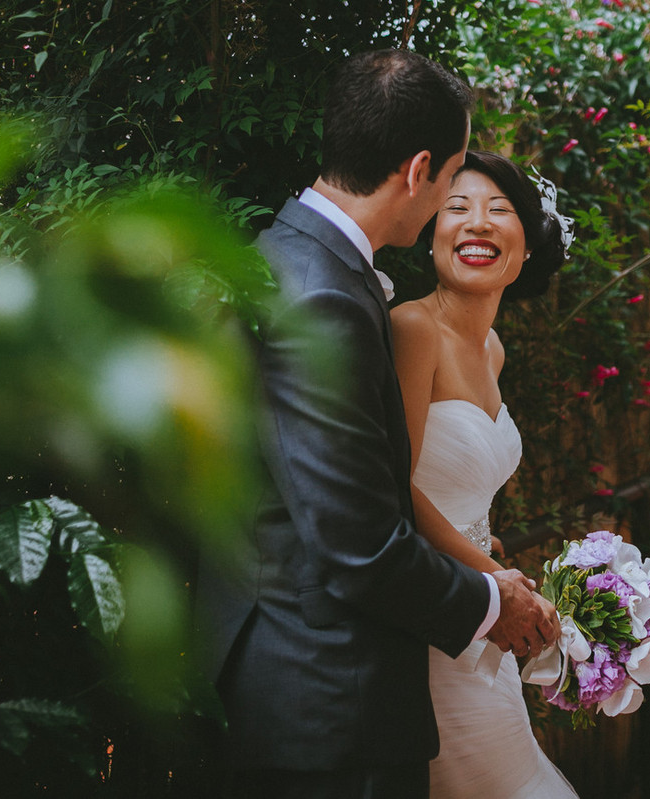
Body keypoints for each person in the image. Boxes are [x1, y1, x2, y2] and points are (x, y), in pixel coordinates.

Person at [195, 50, 558, 799]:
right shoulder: (322, 295)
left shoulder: (295, 258)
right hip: (325, 698)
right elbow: (356, 541)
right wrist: (494, 602)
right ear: (419, 169)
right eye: (453, 182)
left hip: (307, 685)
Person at [391, 149, 578, 797]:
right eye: (457, 208)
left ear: (527, 246)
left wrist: (491, 553)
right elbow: (391, 489)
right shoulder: (411, 329)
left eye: (499, 210)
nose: (477, 224)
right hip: (435, 621)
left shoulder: (492, 347)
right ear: (429, 232)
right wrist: (492, 576)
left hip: (486, 619)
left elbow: (457, 487)